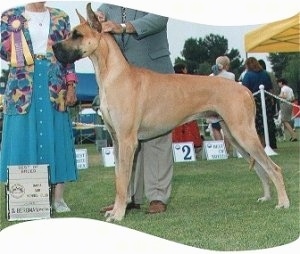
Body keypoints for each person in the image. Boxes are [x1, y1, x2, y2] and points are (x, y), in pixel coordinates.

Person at [0, 2, 78, 213]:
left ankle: (58, 199)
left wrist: (71, 84)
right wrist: (10, 43)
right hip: (22, 85)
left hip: (55, 84)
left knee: (57, 137)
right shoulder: (9, 16)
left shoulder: (61, 16)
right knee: (22, 136)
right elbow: (3, 53)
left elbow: (68, 56)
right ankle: (22, 198)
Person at [97, 4, 174, 214]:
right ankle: (127, 196)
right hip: (122, 77)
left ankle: (157, 196)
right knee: (124, 139)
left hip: (156, 71)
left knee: (158, 137)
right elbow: (98, 22)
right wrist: (98, 18)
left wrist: (123, 26)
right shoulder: (107, 5)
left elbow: (159, 18)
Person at [241, 57, 277, 147]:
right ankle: (270, 143)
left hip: (254, 101)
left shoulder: (248, 75)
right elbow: (270, 87)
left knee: (256, 123)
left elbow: (244, 89)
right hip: (266, 100)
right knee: (267, 122)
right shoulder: (265, 74)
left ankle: (261, 144)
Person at [172, 63, 203, 154]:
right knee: (190, 127)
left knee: (177, 128)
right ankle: (194, 146)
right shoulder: (188, 79)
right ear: (183, 69)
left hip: (175, 108)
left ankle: (177, 148)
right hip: (188, 107)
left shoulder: (171, 79)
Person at [209, 56, 235, 152]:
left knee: (215, 127)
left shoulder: (211, 76)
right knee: (226, 128)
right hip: (227, 104)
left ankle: (220, 150)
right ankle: (227, 149)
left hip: (214, 104)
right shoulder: (231, 76)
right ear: (226, 65)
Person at [258, 59, 277, 149]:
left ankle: (266, 142)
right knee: (270, 121)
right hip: (271, 98)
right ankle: (272, 142)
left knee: (265, 122)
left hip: (266, 99)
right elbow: (274, 87)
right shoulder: (271, 74)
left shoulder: (264, 74)